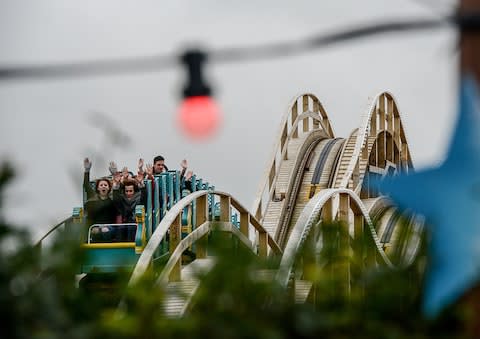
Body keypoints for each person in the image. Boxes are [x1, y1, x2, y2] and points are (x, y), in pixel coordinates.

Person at [83, 158, 117, 241]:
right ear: (98, 188)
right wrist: (87, 171)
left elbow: (117, 191)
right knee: (95, 230)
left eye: (105, 185)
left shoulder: (112, 199)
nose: (103, 186)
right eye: (101, 185)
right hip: (96, 226)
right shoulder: (94, 198)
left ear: (109, 188)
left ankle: (108, 248)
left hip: (110, 227)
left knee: (105, 230)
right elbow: (86, 186)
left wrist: (114, 174)